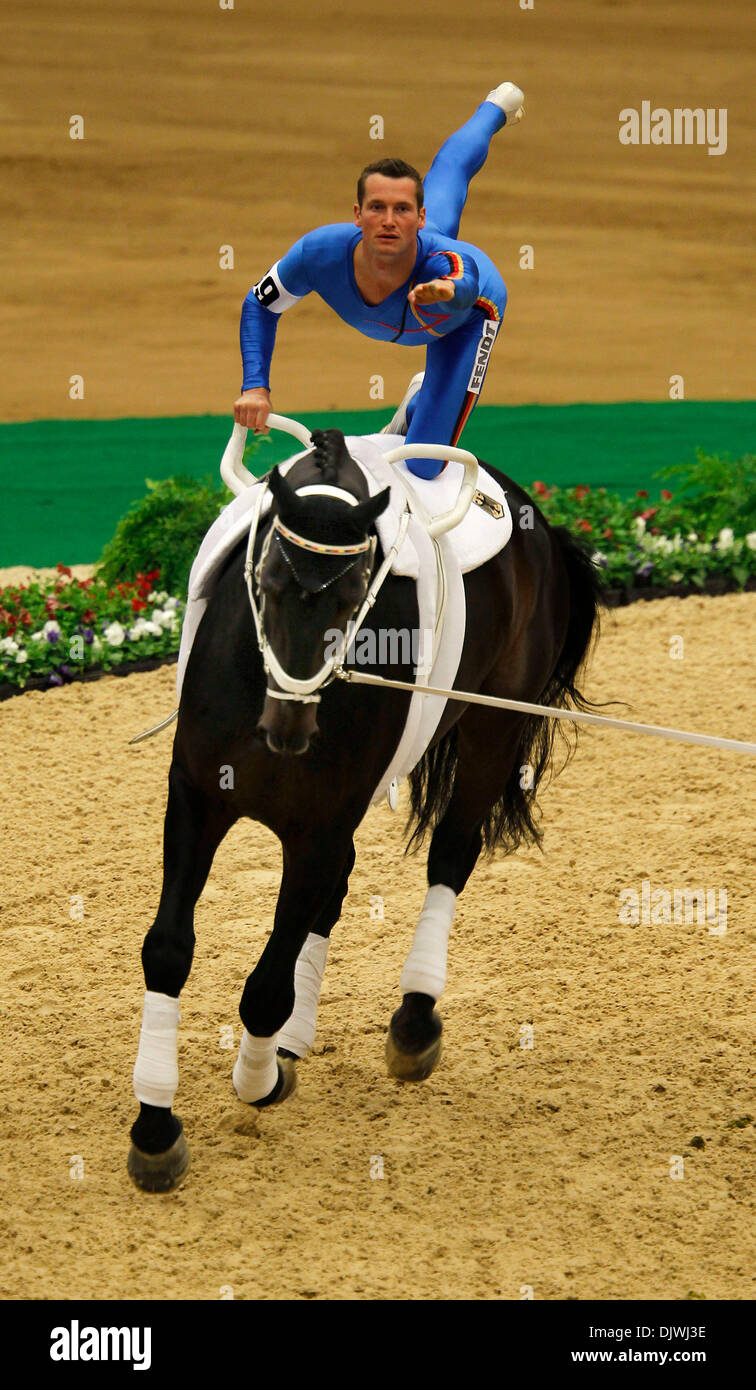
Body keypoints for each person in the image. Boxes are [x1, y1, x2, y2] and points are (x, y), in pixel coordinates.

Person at [234, 83, 524, 479]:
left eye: (402, 209)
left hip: (470, 318)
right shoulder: (317, 254)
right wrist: (255, 387)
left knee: (423, 465)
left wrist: (449, 292)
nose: (388, 220)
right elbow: (260, 304)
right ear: (357, 214)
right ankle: (495, 108)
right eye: (377, 208)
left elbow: (467, 280)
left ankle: (492, 111)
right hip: (426, 268)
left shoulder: (442, 261)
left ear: (419, 218)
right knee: (448, 176)